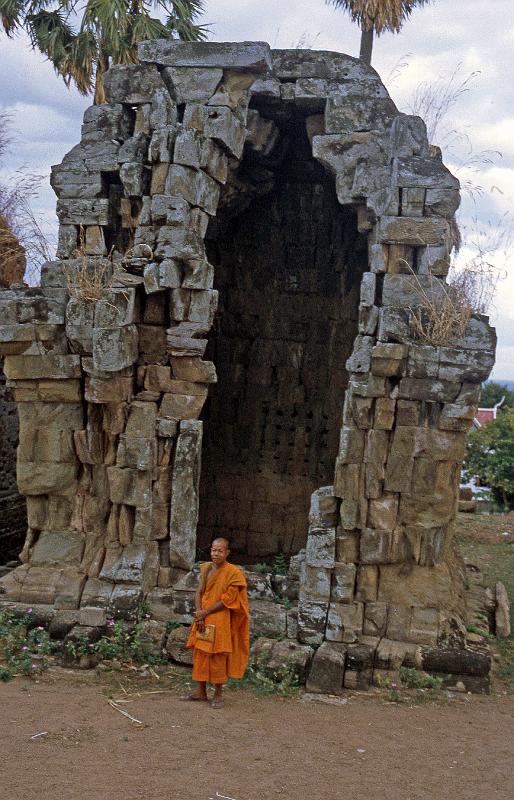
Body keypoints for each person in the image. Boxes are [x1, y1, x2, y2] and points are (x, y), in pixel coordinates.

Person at [183, 538, 250, 708]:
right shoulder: (205, 568)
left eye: (220, 551)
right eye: (213, 550)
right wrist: (199, 614)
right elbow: (199, 592)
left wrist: (206, 612)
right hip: (203, 618)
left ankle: (218, 694)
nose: (216, 554)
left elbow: (228, 600)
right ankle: (201, 691)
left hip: (220, 618)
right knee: (200, 654)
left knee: (218, 655)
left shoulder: (234, 573)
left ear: (227, 553)